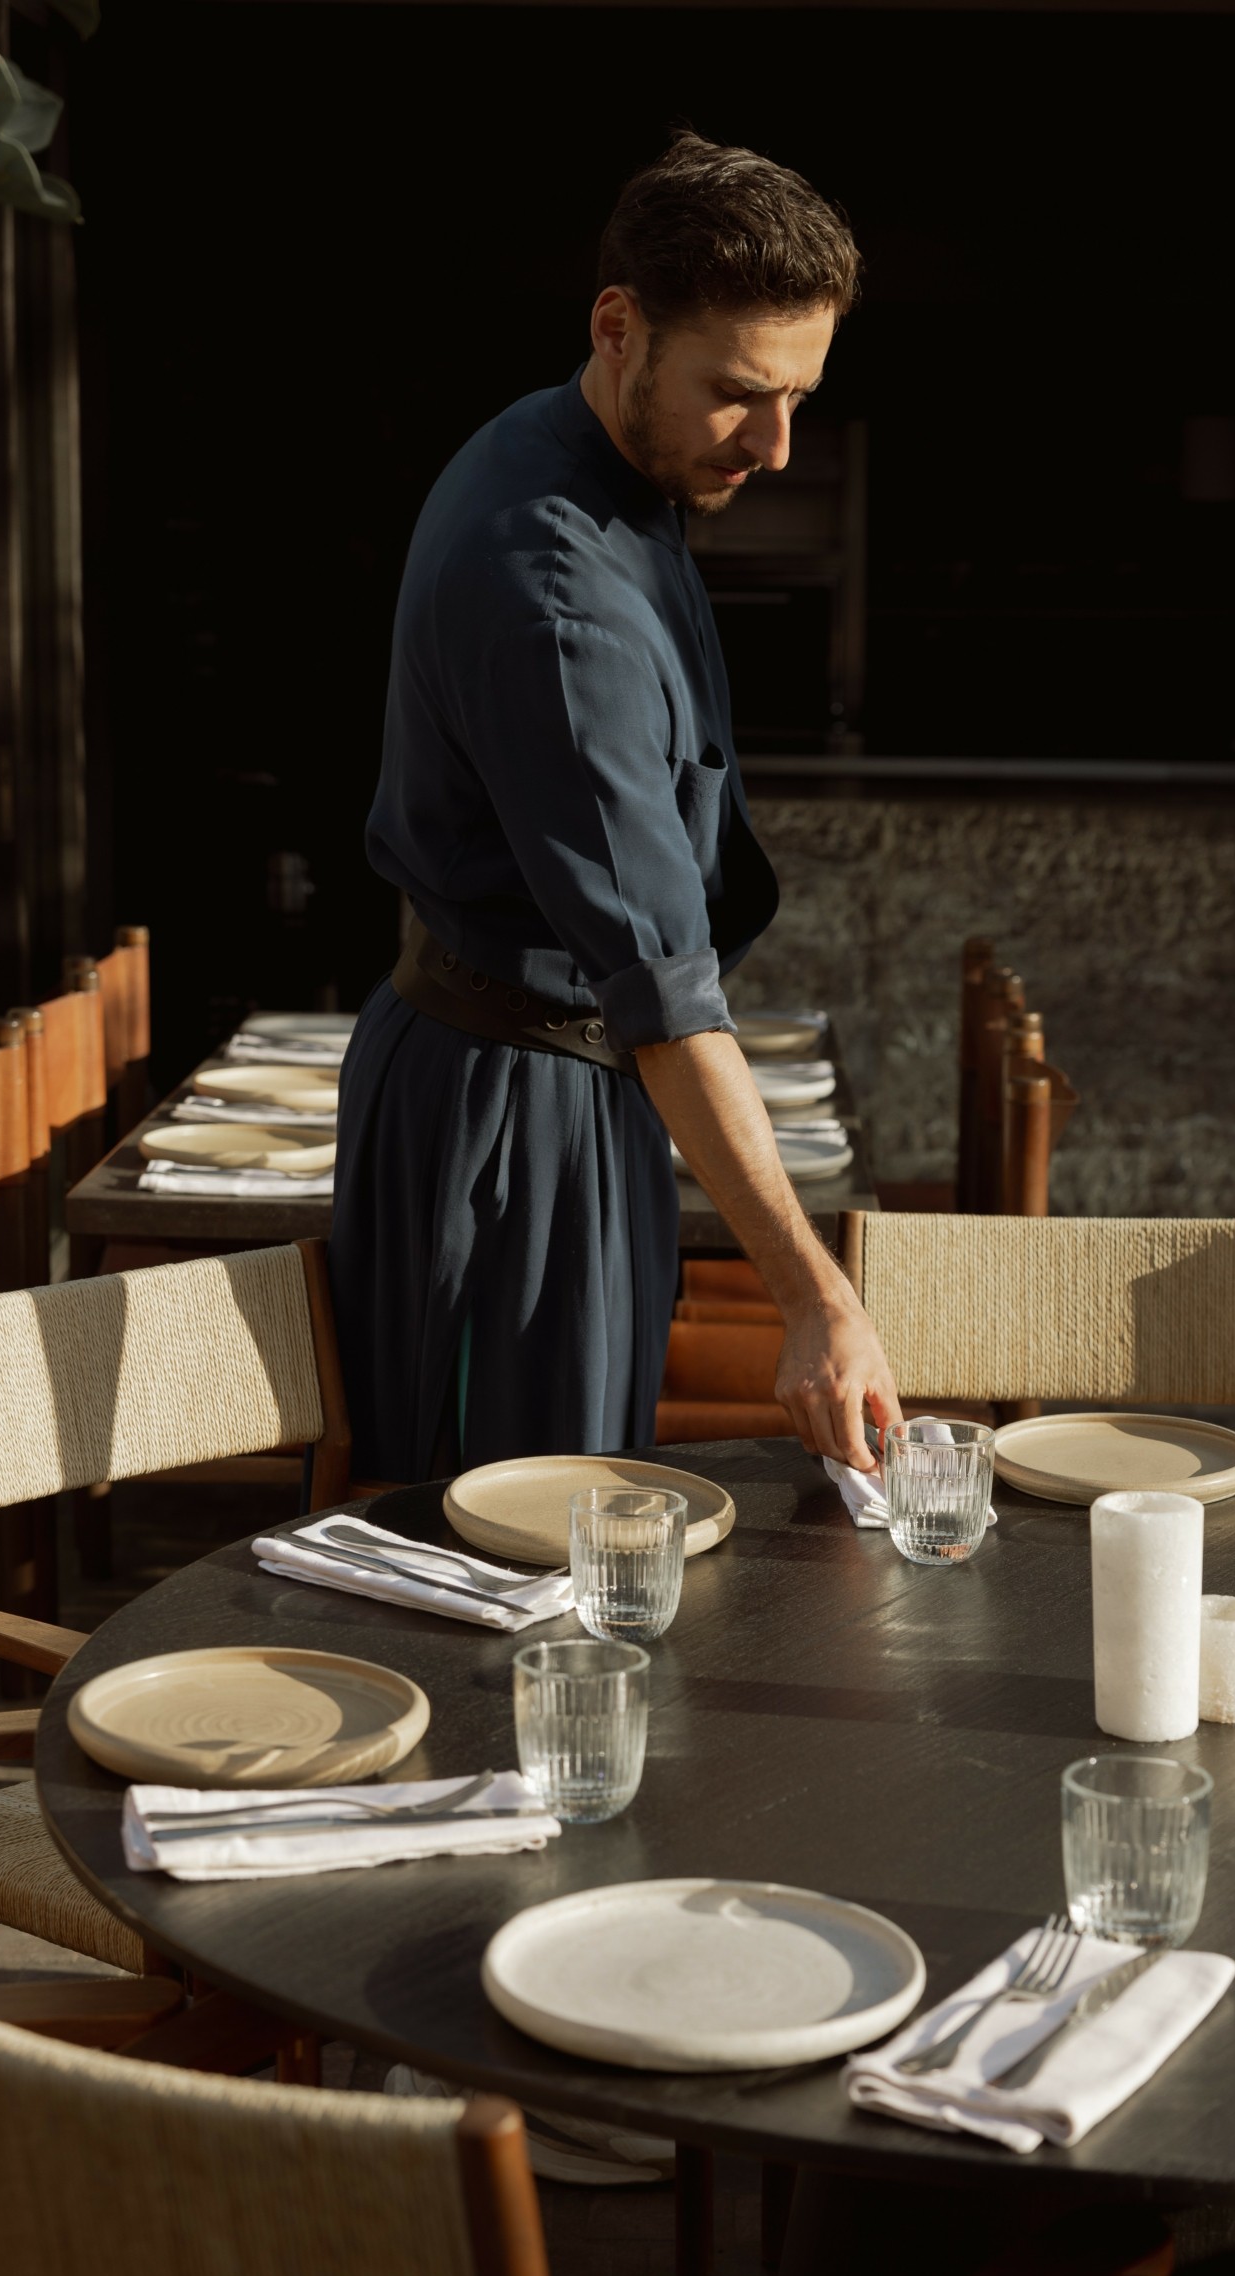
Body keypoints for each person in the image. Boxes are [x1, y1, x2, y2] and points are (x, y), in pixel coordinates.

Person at [331, 131, 902, 1482]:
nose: (774, 446)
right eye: (740, 395)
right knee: (519, 1537)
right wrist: (817, 1298)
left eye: (801, 399)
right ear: (617, 328)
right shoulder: (553, 591)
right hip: (510, 1124)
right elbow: (661, 989)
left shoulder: (580, 447)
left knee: (581, 1513)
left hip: (559, 1087)